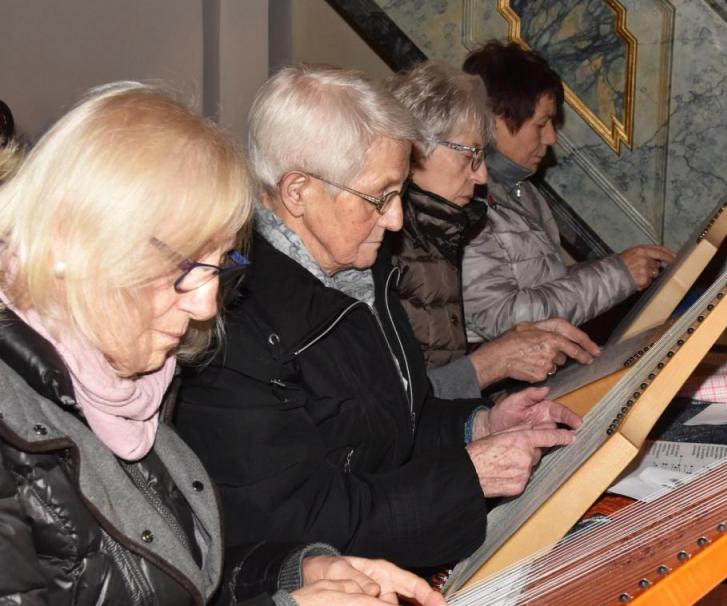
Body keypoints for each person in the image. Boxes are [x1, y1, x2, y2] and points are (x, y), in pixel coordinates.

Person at [0, 83, 449, 606]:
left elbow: (172, 595)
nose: (206, 305)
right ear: (71, 245)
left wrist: (293, 577)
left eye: (219, 268)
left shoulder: (126, 384)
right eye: (184, 270)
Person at [174, 66, 579, 571]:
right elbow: (296, 527)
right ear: (297, 191)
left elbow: (396, 424)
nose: (396, 219)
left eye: (399, 192)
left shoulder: (359, 267)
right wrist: (468, 476)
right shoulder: (232, 321)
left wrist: (478, 425)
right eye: (379, 197)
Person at [388, 61, 602, 399]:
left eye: (482, 156)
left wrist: (511, 347)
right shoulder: (387, 245)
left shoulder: (443, 232)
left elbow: (440, 374)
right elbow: (392, 406)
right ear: (416, 148)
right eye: (470, 156)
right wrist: (496, 361)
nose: (482, 176)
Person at [461, 41, 678, 342]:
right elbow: (500, 318)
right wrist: (616, 275)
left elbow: (549, 285)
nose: (551, 137)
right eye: (541, 124)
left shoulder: (524, 190)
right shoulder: (464, 200)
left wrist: (619, 267)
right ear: (495, 120)